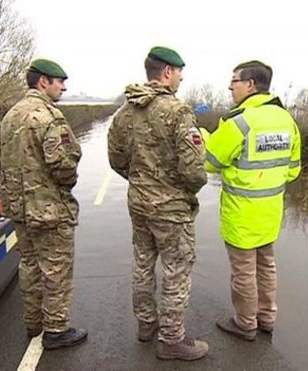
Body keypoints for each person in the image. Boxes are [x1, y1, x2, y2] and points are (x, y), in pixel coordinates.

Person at [107, 46, 209, 361]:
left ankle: (147, 324)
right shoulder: (178, 112)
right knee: (176, 269)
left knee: (142, 261)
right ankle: (171, 340)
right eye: (179, 72)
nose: (181, 78)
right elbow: (194, 170)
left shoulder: (124, 112)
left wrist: (141, 180)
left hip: (138, 203)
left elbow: (116, 160)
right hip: (171, 209)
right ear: (167, 72)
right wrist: (183, 188)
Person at [202, 60, 301, 341]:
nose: (230, 86)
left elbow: (211, 162)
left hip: (241, 215)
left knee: (243, 272)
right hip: (270, 214)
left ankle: (245, 323)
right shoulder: (287, 121)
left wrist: (204, 136)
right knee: (266, 266)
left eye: (234, 80)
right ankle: (267, 318)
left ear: (251, 85)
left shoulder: (240, 122)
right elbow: (293, 171)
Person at [0, 58, 87, 350]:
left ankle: (34, 323)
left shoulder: (9, 116)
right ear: (43, 82)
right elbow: (64, 164)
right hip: (48, 210)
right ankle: (56, 329)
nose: (64, 86)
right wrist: (64, 183)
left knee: (30, 265)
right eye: (59, 81)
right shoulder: (49, 117)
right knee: (56, 269)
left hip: (18, 209)